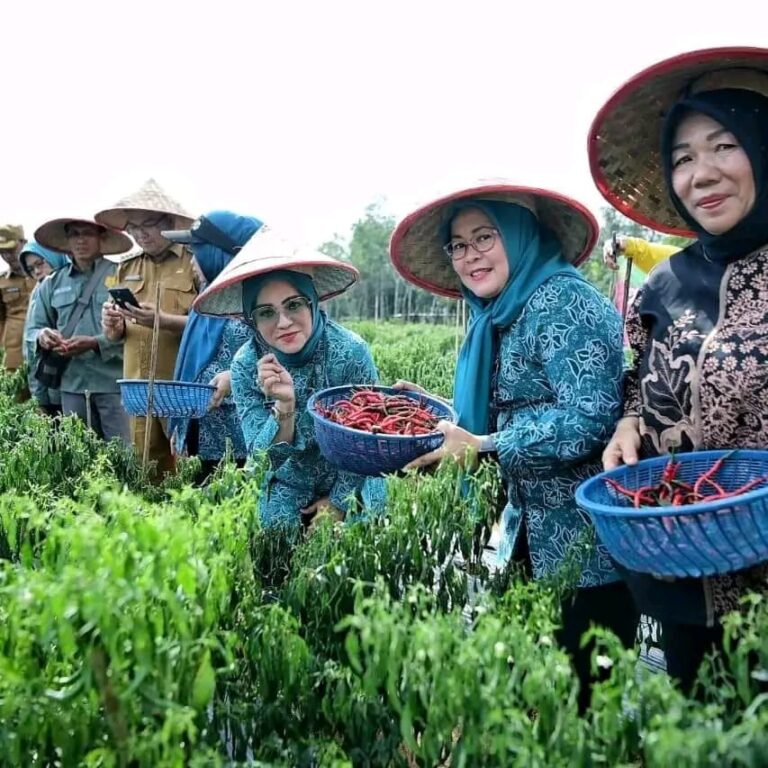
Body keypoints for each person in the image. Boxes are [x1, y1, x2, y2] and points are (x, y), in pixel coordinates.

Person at [389, 181, 638, 712]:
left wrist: (483, 444)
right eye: (458, 245)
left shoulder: (562, 301)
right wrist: (436, 409)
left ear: (521, 235)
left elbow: (589, 417)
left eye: (485, 237)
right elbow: (517, 406)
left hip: (587, 548)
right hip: (530, 531)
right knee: (536, 696)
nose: (470, 256)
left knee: (586, 704)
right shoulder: (504, 311)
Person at [590, 46, 768, 693]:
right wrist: (627, 425)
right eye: (684, 157)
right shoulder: (666, 283)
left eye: (725, 145)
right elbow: (642, 383)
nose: (702, 174)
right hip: (678, 563)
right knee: (695, 717)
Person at [193, 227, 386, 528]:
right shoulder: (246, 364)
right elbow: (264, 460)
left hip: (351, 474)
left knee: (355, 532)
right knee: (275, 532)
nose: (283, 323)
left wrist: (338, 503)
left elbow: (367, 442)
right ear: (252, 319)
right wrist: (284, 407)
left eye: (294, 305)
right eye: (266, 312)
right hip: (289, 478)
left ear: (312, 302)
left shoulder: (350, 352)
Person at [97, 178, 197, 477]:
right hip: (138, 386)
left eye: (148, 224)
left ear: (169, 221)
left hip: (181, 387)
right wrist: (112, 325)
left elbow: (211, 326)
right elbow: (115, 335)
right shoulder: (127, 267)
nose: (141, 234)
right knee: (145, 469)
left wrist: (162, 321)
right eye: (133, 227)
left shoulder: (194, 261)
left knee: (186, 469)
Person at [161, 211, 264, 480]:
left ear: (217, 253)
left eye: (196, 251)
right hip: (202, 430)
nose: (192, 261)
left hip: (242, 440)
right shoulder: (206, 300)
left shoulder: (264, 301)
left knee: (238, 497)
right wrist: (181, 424)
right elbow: (190, 366)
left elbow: (287, 362)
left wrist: (237, 375)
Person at [28, 217, 131, 442]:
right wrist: (44, 336)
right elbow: (34, 328)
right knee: (80, 452)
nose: (80, 240)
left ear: (101, 238)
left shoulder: (122, 275)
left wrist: (95, 343)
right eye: (74, 234)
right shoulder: (52, 283)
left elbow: (135, 326)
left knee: (123, 453)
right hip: (71, 383)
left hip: (114, 382)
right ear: (67, 240)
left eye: (87, 233)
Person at [19, 240, 70, 416]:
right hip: (50, 384)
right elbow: (31, 350)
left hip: (76, 384)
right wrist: (39, 398)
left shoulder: (73, 283)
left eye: (40, 263)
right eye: (31, 269)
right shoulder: (39, 291)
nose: (37, 271)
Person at [0, 225, 36, 384]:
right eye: (2, 252)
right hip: (13, 355)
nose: (7, 256)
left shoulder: (45, 273)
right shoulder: (2, 282)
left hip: (44, 351)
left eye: (11, 249)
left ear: (24, 243)